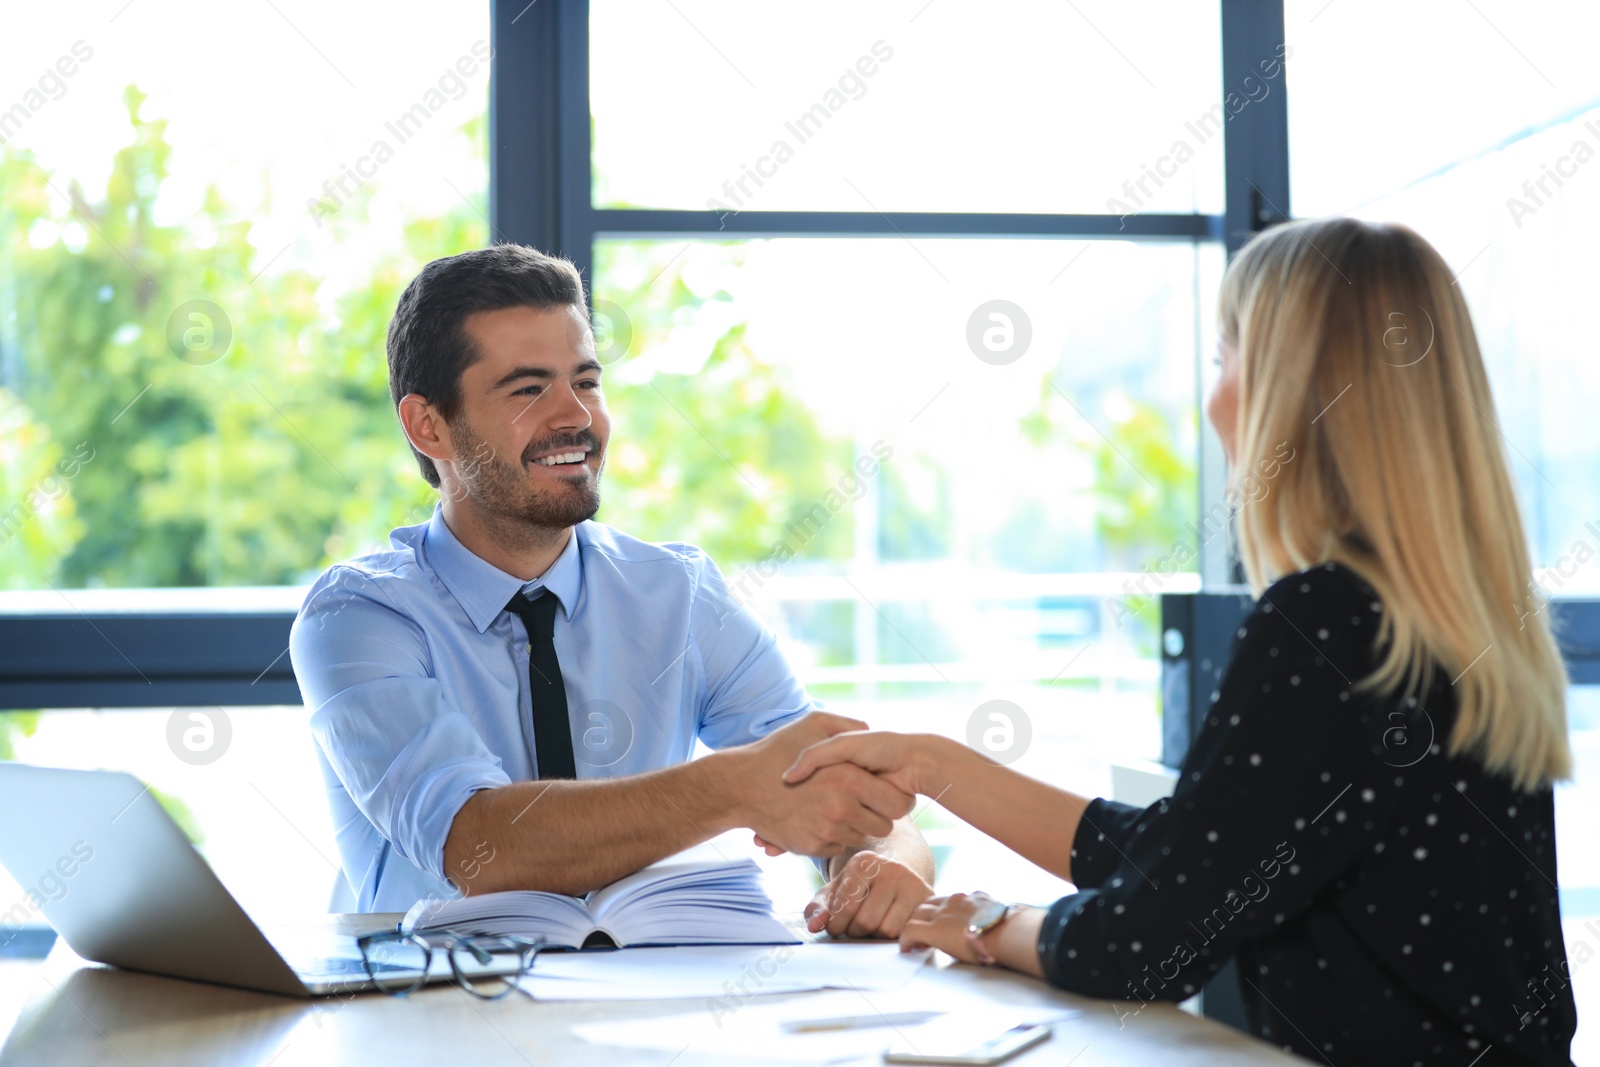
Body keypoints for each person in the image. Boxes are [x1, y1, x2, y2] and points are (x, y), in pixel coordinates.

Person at [783, 218, 1578, 1065]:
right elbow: (1198, 850)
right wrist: (936, 765)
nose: (1216, 398)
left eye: (1228, 358)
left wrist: (982, 921)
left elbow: (1149, 941)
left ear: (1298, 389)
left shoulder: (1327, 623)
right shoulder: (1446, 620)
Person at [289, 244, 932, 933]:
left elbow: (846, 793)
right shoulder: (358, 616)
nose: (576, 416)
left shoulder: (677, 593)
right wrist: (738, 786)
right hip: (432, 1014)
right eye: (528, 388)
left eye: (586, 381)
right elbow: (478, 847)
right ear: (429, 425)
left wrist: (884, 860)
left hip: (646, 1010)